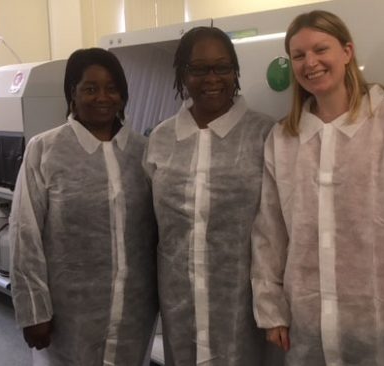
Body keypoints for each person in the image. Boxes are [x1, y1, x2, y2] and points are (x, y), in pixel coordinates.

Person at [251, 10, 384, 366]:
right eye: (299, 55)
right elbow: (269, 232)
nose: (310, 63)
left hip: (383, 330)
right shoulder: (284, 139)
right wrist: (270, 305)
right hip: (307, 331)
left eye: (321, 49)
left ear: (347, 52)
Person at [9, 47, 158, 366]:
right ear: (72, 94)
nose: (102, 97)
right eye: (90, 88)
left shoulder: (143, 152)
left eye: (112, 88)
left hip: (135, 311)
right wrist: (34, 311)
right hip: (69, 317)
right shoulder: (45, 150)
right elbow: (25, 234)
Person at [144, 27, 278, 365]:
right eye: (199, 69)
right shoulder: (161, 138)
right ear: (182, 74)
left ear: (235, 71)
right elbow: (151, 229)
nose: (212, 78)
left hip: (244, 308)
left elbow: (280, 226)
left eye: (222, 67)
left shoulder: (264, 134)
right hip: (179, 306)